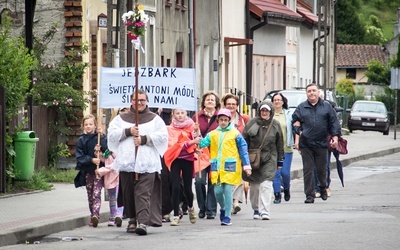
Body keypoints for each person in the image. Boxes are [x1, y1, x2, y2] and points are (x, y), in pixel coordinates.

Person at [107, 90, 168, 235]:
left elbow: (163, 136)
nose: (139, 102)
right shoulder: (120, 119)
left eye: (142, 100)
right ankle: (132, 219)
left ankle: (143, 222)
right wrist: (128, 131)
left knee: (143, 193)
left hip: (147, 162)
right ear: (131, 101)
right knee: (128, 192)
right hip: (127, 162)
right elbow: (111, 134)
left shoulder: (155, 119)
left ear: (146, 101)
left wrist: (144, 139)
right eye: (136, 100)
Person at [198, 108, 252, 226]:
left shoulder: (235, 133)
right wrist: (197, 137)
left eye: (225, 120)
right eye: (221, 120)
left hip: (230, 166)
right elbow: (202, 144)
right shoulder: (212, 134)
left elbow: (243, 149)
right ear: (218, 120)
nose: (223, 122)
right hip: (217, 167)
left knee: (228, 190)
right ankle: (223, 207)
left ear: (229, 120)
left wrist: (246, 165)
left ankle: (227, 216)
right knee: (217, 191)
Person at [292, 83, 341, 204]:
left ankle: (323, 188)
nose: (312, 93)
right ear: (306, 93)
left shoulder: (327, 106)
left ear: (318, 92)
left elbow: (334, 122)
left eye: (314, 90)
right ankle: (310, 195)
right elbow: (294, 122)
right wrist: (299, 132)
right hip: (306, 144)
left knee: (321, 169)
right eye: (309, 91)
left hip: (322, 143)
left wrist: (335, 137)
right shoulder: (301, 107)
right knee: (308, 170)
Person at [242, 101, 284, 220]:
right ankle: (256, 208)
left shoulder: (275, 124)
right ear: (259, 111)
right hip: (253, 158)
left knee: (266, 184)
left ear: (270, 112)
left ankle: (265, 211)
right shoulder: (251, 123)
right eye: (262, 110)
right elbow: (244, 141)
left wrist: (280, 160)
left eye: (267, 111)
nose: (264, 113)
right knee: (255, 186)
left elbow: (280, 143)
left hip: (270, 158)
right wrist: (244, 160)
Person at [163, 109, 199, 226]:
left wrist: (197, 139)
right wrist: (191, 142)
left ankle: (190, 207)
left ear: (186, 114)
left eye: (182, 113)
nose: (180, 115)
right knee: (175, 187)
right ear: (173, 114)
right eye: (177, 113)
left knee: (188, 189)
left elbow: (200, 141)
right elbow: (174, 145)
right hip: (175, 159)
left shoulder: (193, 126)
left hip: (188, 160)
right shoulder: (170, 129)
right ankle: (176, 215)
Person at [75, 114, 107, 228]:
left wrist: (101, 137)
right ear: (83, 126)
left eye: (91, 124)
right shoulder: (81, 140)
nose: (88, 126)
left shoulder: (99, 137)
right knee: (90, 194)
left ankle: (96, 215)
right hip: (88, 171)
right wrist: (91, 160)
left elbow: (106, 148)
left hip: (99, 171)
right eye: (86, 124)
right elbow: (79, 157)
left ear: (95, 125)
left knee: (96, 194)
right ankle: (92, 214)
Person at [192, 91, 220, 219]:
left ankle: (211, 210)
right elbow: (190, 133)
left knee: (213, 181)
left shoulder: (221, 117)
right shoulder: (196, 117)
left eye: (212, 99)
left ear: (216, 103)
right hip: (201, 154)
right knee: (199, 181)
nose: (209, 101)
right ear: (203, 102)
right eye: (207, 99)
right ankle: (202, 207)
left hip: (215, 154)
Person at [221, 93, 250, 214]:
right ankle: (228, 201)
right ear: (224, 105)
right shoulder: (220, 118)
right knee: (227, 178)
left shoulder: (244, 119)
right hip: (225, 152)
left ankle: (236, 201)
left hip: (239, 151)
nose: (231, 106)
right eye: (228, 104)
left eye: (233, 104)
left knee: (239, 177)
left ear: (237, 106)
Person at [271, 93, 295, 204]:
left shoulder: (288, 114)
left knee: (285, 173)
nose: (277, 102)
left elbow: (295, 127)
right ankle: (277, 194)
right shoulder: (269, 115)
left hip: (286, 147)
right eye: (275, 100)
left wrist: (297, 141)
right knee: (275, 173)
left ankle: (286, 188)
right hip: (273, 149)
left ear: (283, 101)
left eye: (279, 100)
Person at [97, 149, 124, 227]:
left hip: (118, 176)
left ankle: (119, 215)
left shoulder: (119, 151)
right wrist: (98, 153)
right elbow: (102, 160)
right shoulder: (107, 152)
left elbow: (116, 164)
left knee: (120, 196)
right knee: (112, 198)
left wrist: (102, 170)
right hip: (109, 178)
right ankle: (112, 216)